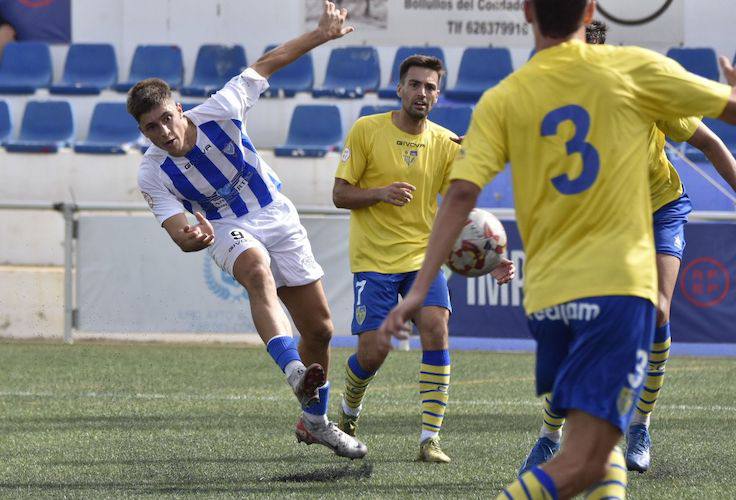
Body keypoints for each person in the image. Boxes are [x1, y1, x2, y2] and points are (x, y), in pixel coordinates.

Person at [379, 0, 736, 498]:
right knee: (587, 459)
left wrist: (419, 289)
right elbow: (730, 110)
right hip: (615, 276)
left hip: (558, 282)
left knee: (598, 440)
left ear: (526, 11)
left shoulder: (508, 96)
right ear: (590, 12)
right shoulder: (633, 71)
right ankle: (560, 436)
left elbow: (461, 194)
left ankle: (635, 428)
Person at [132, 1, 366, 460]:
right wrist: (192, 238)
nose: (162, 131)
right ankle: (294, 372)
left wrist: (322, 34)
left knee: (319, 329)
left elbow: (267, 64)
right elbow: (179, 230)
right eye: (149, 128)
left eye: (165, 118)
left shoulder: (221, 109)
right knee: (257, 270)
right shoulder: (152, 173)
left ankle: (315, 422)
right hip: (223, 226)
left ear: (180, 108)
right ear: (142, 131)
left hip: (275, 213)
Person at [519, 19, 736, 475]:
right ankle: (548, 436)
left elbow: (712, 143)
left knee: (656, 312)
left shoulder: (641, 90)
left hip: (660, 209)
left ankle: (639, 425)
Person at [332, 54, 515, 462]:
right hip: (374, 259)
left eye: (430, 86)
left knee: (436, 329)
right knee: (373, 352)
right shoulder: (366, 130)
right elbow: (340, 194)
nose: (422, 93)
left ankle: (429, 439)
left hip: (422, 257)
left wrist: (492, 255)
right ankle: (348, 410)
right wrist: (379, 192)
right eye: (415, 84)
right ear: (400, 89)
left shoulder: (447, 143)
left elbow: (458, 209)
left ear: (438, 94)